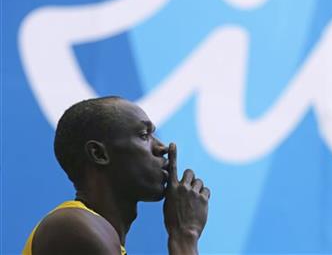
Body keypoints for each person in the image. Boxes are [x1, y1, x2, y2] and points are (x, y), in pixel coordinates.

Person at [22, 96, 210, 255]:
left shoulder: (96, 233)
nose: (161, 147)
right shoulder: (73, 228)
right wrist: (185, 234)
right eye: (144, 135)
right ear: (99, 154)